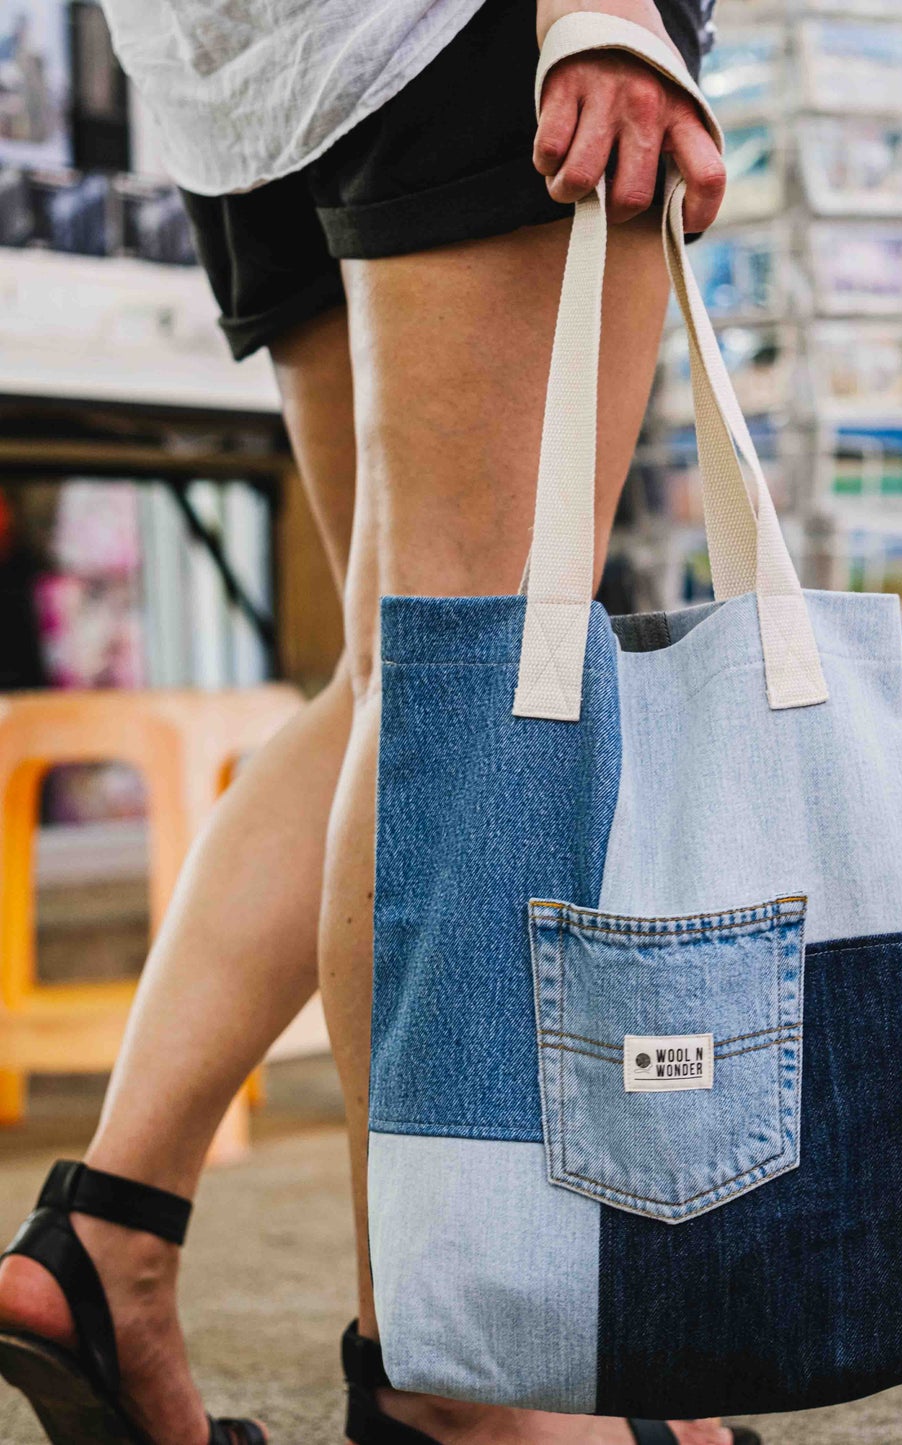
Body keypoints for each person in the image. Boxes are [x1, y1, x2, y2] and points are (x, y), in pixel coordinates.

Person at [0, 1, 749, 1442]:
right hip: (458, 35)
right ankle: (448, 1369)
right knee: (466, 689)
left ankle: (104, 1238)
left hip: (244, 68)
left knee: (398, 679)